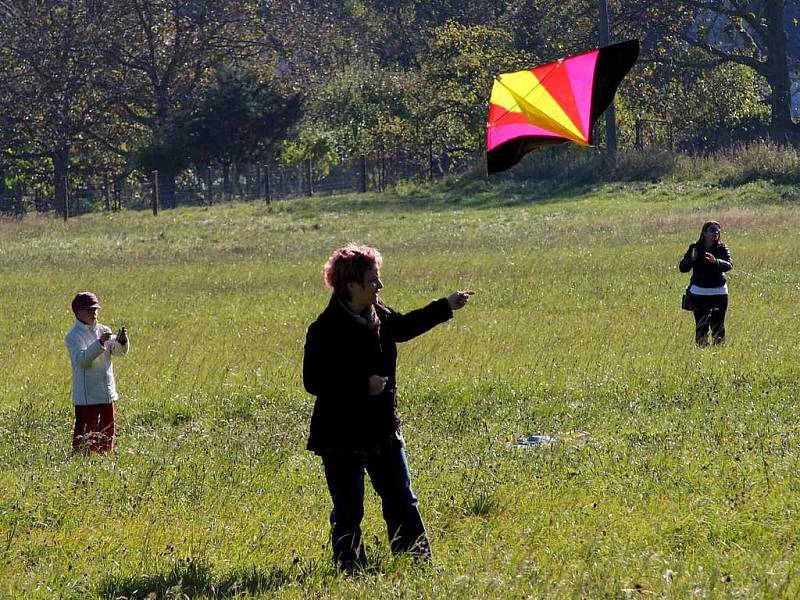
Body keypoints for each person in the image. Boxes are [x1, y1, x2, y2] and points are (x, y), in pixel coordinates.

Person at [303, 243, 474, 572]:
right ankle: (351, 574)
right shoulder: (323, 330)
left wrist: (446, 306)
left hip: (382, 429)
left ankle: (417, 567)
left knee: (402, 501)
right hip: (341, 436)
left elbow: (405, 327)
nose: (379, 286)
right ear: (351, 286)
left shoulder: (378, 314)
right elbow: (314, 382)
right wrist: (360, 385)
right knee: (349, 511)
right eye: (372, 280)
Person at [65, 292, 130, 453]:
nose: (93, 313)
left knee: (108, 427)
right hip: (87, 394)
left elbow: (118, 351)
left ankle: (105, 455)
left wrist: (122, 341)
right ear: (77, 312)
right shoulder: (73, 336)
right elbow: (82, 360)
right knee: (87, 430)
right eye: (89, 310)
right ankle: (84, 457)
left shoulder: (104, 329)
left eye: (95, 310)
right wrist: (99, 343)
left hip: (105, 390)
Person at [679, 221, 733, 346]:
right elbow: (682, 268)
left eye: (718, 230)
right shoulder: (695, 248)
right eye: (713, 230)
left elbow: (729, 265)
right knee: (701, 325)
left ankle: (718, 352)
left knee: (718, 326)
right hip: (698, 293)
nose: (716, 233)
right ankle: (701, 353)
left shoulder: (722, 248)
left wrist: (716, 262)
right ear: (704, 233)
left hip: (718, 293)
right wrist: (691, 260)